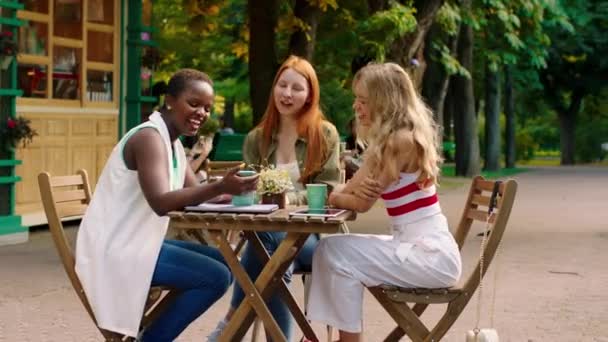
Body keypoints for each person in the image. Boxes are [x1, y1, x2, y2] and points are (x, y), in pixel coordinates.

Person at [75, 69, 259, 341]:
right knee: (215, 277)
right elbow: (161, 202)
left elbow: (196, 192)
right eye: (194, 104)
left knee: (228, 263)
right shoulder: (149, 138)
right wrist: (220, 186)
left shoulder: (172, 143)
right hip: (115, 249)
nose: (201, 113)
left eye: (207, 108)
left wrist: (234, 192)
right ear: (170, 100)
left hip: (137, 241)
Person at [306, 63, 462, 342]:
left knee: (339, 255)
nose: (356, 107)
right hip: (417, 249)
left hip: (430, 258)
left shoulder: (398, 142)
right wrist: (343, 194)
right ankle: (324, 333)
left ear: (384, 103)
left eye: (364, 101)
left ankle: (346, 340)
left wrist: (336, 196)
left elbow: (358, 202)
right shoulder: (390, 141)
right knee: (328, 247)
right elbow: (351, 190)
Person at [208, 55, 341, 341]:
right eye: (282, 85)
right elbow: (248, 189)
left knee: (267, 247)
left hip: (313, 237)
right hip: (268, 235)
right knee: (271, 253)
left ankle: (230, 324)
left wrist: (287, 201)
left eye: (297, 88)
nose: (287, 94)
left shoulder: (324, 134)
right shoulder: (257, 138)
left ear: (309, 96)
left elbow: (329, 190)